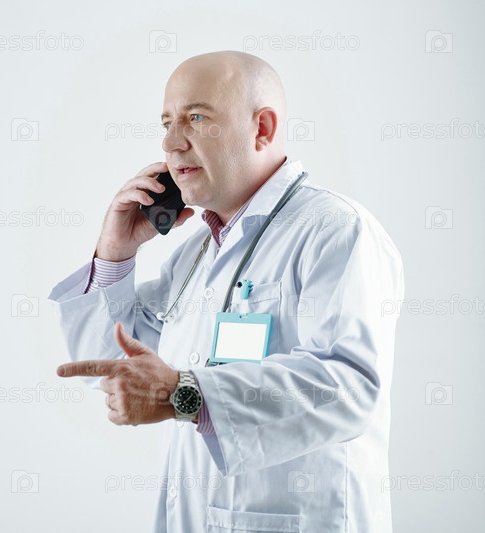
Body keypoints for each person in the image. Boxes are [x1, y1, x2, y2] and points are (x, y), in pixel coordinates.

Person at [48, 51, 404, 533]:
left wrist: (183, 393)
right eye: (167, 123)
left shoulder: (335, 230)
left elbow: (349, 387)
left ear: (262, 128)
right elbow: (116, 364)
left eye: (196, 118)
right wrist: (115, 252)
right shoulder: (197, 252)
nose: (171, 143)